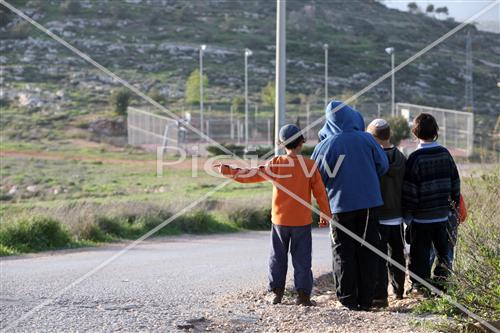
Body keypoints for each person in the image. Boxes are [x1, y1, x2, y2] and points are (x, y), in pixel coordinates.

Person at [215, 124, 332, 306]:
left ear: (280, 143)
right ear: (302, 142)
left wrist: (229, 171)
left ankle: (275, 293)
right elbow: (320, 193)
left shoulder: (276, 163)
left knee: (277, 257)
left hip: (280, 221)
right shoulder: (309, 165)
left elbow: (251, 175)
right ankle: (303, 296)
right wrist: (325, 214)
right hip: (302, 221)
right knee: (302, 259)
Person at [311, 101, 389, 311]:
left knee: (343, 253)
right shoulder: (367, 139)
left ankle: (347, 300)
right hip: (370, 205)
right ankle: (366, 300)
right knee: (367, 251)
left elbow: (316, 178)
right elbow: (383, 165)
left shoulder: (325, 146)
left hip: (340, 207)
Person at [403, 113, 460, 295]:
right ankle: (441, 285)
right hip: (442, 216)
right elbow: (455, 183)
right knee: (443, 253)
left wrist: (408, 216)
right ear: (435, 131)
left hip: (421, 219)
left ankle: (420, 287)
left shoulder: (415, 158)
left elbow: (410, 191)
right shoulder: (445, 154)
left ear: (415, 132)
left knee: (419, 255)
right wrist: (452, 208)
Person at [367, 119, 407, 307]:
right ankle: (399, 290)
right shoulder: (401, 158)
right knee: (398, 254)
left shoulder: (373, 160)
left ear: (373, 138)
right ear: (389, 135)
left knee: (378, 257)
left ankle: (380, 295)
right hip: (398, 215)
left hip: (379, 216)